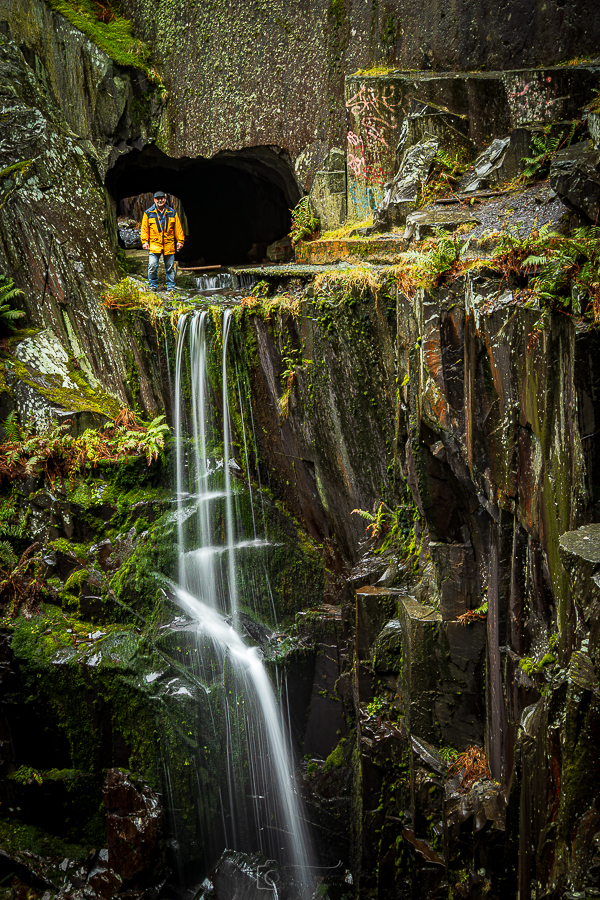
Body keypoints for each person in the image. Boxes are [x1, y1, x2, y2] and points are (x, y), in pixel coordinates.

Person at [141, 192, 185, 292]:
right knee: (152, 266)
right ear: (154, 200)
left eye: (162, 198)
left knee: (170, 268)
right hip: (155, 245)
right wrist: (144, 241)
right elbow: (144, 229)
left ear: (165, 199)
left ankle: (170, 287)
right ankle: (153, 285)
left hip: (169, 244)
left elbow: (178, 228)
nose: (160, 200)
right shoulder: (148, 213)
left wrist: (180, 241)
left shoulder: (172, 213)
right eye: (158, 198)